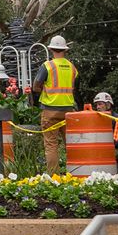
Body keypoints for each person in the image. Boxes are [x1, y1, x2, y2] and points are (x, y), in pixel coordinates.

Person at [30, 35, 77, 172]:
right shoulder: (72, 67)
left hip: (50, 111)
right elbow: (72, 87)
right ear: (65, 50)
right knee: (71, 144)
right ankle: (76, 173)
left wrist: (44, 90)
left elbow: (36, 86)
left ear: (51, 49)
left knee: (51, 145)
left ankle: (54, 176)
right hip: (68, 111)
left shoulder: (48, 66)